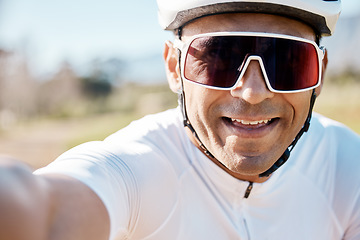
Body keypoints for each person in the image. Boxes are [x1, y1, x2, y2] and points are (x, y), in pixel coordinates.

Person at [0, 0, 359, 239]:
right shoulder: (139, 168)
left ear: (321, 73)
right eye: (220, 57)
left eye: (288, 62)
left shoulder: (347, 166)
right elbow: (48, 207)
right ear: (174, 67)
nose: (252, 92)